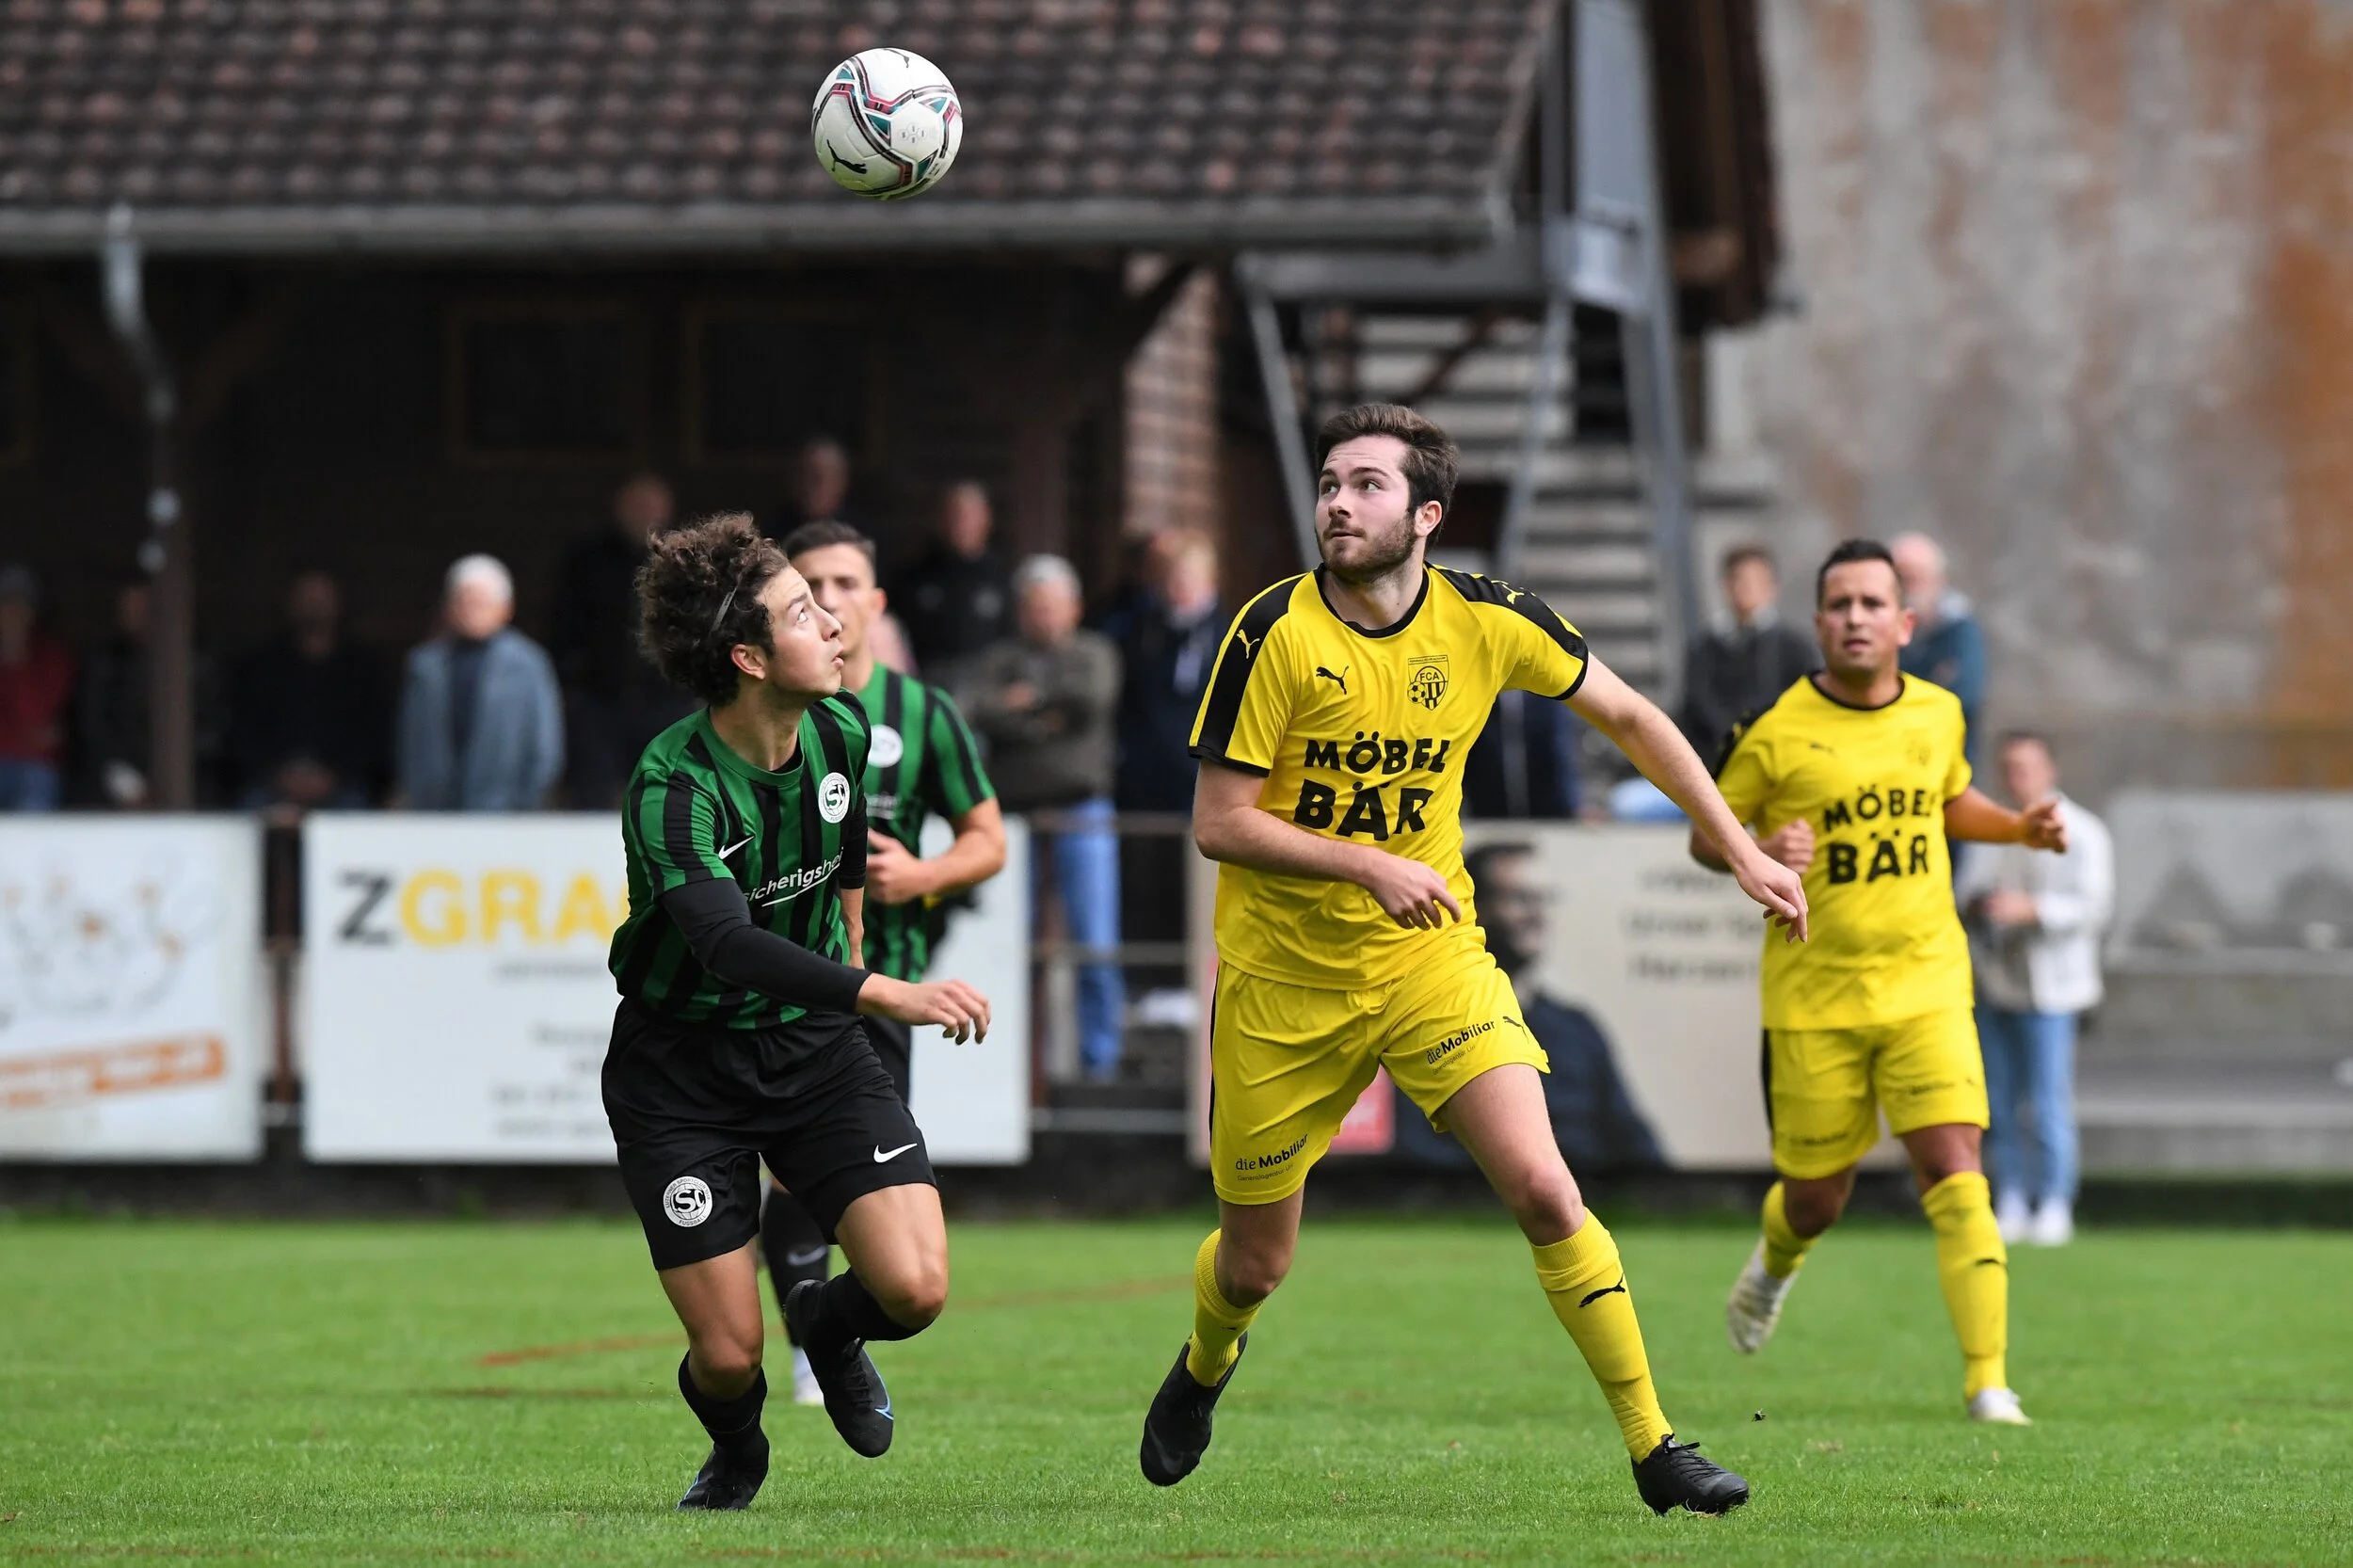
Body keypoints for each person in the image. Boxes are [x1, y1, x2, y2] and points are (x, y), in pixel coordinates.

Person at [1141, 402, 1807, 1516]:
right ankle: (1207, 1360)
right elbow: (1218, 823)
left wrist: (1736, 847)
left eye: (1366, 485)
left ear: (1426, 516)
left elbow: (1633, 717)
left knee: (1546, 1187)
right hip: (1283, 987)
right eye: (1329, 483)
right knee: (1255, 1263)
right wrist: (1366, 864)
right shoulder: (1269, 631)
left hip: (1430, 962)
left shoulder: (1488, 618)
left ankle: (1655, 1447)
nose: (1337, 504)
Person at [604, 512, 990, 1510]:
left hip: (812, 1050)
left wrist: (853, 939)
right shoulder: (672, 785)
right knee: (730, 1355)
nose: (834, 625)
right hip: (681, 1072)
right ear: (747, 658)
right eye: (803, 612)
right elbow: (727, 945)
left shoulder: (842, 727)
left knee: (916, 1288)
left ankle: (826, 1323)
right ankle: (738, 1448)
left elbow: (847, 840)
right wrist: (883, 987)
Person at [1701, 538, 2067, 1427]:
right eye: (1841, 604)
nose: (1856, 618)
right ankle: (1774, 1265)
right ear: (1818, 623)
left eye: (1873, 603)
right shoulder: (1774, 727)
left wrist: (2017, 828)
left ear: (1904, 623)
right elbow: (1708, 832)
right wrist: (1758, 847)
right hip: (1814, 996)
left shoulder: (1939, 714)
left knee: (1956, 1169)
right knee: (1816, 1200)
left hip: (1926, 984)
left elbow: (1949, 800)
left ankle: (1989, 1383)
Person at [763, 520, 1006, 1406]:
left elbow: (988, 839)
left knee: (846, 1180)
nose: (828, 599)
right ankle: (806, 1354)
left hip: (884, 986)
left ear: (875, 601)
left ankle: (825, 1325)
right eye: (810, 585)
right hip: (782, 983)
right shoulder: (768, 709)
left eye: (843, 582)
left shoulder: (922, 713)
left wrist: (923, 874)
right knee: (791, 1171)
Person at [964, 554, 1127, 1081]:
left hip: (1083, 813)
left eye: (1054, 605)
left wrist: (1023, 707)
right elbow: (973, 708)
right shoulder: (1000, 657)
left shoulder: (1094, 653)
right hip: (1015, 820)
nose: (1046, 615)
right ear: (1021, 611)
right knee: (1014, 944)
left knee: (1094, 940)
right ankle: (1018, 1066)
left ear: (1075, 607)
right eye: (1036, 606)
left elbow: (1089, 699)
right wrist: (1043, 718)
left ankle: (1100, 1063)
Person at [1957, 732, 2113, 1248]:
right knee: (1998, 1101)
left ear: (2050, 770)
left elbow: (2093, 906)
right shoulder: (1991, 830)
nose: (2018, 777)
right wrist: (1986, 906)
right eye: (2010, 767)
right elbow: (1964, 892)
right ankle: (2011, 1195)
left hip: (2052, 989)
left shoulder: (2083, 832)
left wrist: (2034, 910)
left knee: (2047, 1102)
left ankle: (2054, 1199)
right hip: (1997, 981)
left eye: (2027, 766)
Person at [1461, 842, 1666, 1170]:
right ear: (1476, 910)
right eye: (1520, 899)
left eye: (1543, 898)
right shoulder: (1444, 1022)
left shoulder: (1577, 1029)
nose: (1536, 914)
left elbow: (1637, 1142)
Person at [553, 473, 693, 809]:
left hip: (666, 703)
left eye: (651, 506)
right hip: (599, 702)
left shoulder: (685, 564)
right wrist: (569, 683)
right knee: (592, 796)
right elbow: (563, 623)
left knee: (667, 799)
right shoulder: (589, 559)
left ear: (667, 510)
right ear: (619, 508)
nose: (644, 514)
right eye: (637, 505)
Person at [395, 555, 565, 812]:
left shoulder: (528, 664)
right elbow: (409, 740)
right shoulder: (426, 665)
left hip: (506, 809)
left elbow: (545, 743)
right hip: (436, 809)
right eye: (464, 601)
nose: (471, 610)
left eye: (481, 603)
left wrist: (526, 802)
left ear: (505, 608)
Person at [229, 570, 390, 809]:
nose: (314, 609)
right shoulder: (261, 667)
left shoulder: (360, 669)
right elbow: (243, 733)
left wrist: (333, 776)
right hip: (271, 786)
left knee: (359, 817)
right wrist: (279, 775)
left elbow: (373, 737)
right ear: (290, 605)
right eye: (306, 600)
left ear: (338, 605)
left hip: (342, 786)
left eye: (321, 601)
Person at [1675, 544, 1820, 758]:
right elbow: (1696, 707)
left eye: (1755, 581)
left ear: (1772, 587)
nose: (1747, 589)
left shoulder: (1796, 648)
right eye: (1739, 580)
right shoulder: (1704, 649)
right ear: (1726, 585)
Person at [891, 481, 1012, 680]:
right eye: (955, 515)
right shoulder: (913, 579)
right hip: (924, 682)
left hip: (987, 686)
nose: (961, 524)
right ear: (939, 519)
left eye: (969, 516)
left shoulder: (1003, 579)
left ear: (987, 519)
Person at [1890, 533, 1988, 769]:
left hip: (1949, 766)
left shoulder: (1960, 632)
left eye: (1916, 578)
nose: (1908, 588)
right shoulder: (1882, 632)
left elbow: (1962, 695)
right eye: (1901, 580)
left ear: (1938, 579)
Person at [0, 564, 73, 812]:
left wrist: (17, 655)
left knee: (36, 791)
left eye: (21, 604)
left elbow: (39, 719)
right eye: (6, 603)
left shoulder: (54, 658)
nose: (13, 613)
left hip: (34, 765)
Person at [1463, 689, 1585, 819]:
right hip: (1487, 810)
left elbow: (1560, 751)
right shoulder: (1475, 697)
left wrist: (1573, 805)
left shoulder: (1547, 697)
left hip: (1549, 809)